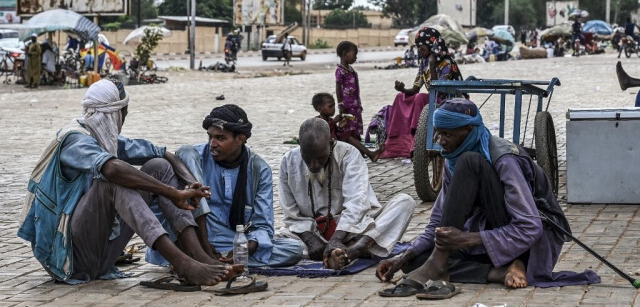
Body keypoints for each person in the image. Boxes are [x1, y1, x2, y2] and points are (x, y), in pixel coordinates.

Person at [17, 79, 243, 286]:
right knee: (112, 182)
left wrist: (191, 185)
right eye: (123, 113)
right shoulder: (74, 140)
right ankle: (183, 263)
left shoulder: (104, 139)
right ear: (114, 113)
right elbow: (113, 169)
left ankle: (199, 256)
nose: (123, 120)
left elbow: (163, 154)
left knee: (159, 167)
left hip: (103, 254)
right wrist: (173, 194)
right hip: (69, 258)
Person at [376, 98, 600, 299]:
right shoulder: (453, 160)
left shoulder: (503, 159)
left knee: (470, 162)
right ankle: (498, 272)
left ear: (469, 130)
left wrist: (466, 239)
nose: (440, 141)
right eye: (438, 133)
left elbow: (530, 227)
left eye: (447, 134)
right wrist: (405, 256)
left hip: (527, 243)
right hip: (490, 243)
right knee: (416, 260)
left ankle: (444, 266)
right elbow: (437, 223)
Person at [146, 104, 304, 268]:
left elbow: (263, 224)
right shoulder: (193, 157)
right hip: (190, 238)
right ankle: (198, 255)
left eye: (220, 138)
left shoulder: (258, 168)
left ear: (240, 139)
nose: (212, 144)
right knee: (185, 151)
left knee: (293, 250)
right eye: (210, 137)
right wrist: (204, 246)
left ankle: (220, 262)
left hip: (228, 240)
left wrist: (244, 249)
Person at [279, 118, 415, 269]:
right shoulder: (288, 161)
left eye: (320, 158)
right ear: (299, 145)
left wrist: (336, 239)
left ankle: (355, 249)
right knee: (274, 241)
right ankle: (342, 251)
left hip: (355, 229)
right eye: (308, 158)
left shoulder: (349, 155)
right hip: (313, 234)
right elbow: (291, 214)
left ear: (331, 144)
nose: (314, 165)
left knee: (405, 202)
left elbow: (357, 204)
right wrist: (311, 240)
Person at [381, 27, 464, 158]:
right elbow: (415, 89)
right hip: (432, 99)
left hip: (447, 101)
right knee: (400, 97)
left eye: (422, 48)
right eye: (418, 48)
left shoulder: (446, 62)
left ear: (432, 48)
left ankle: (417, 142)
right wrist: (402, 89)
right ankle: (397, 145)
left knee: (420, 98)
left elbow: (438, 89)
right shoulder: (423, 63)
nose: (419, 51)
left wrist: (432, 65)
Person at [334, 41, 385, 161]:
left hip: (355, 107)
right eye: (354, 54)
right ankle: (368, 153)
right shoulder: (340, 71)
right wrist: (340, 104)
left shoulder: (350, 70)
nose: (356, 57)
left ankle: (358, 153)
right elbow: (338, 88)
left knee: (355, 132)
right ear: (344, 53)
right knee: (348, 133)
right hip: (347, 107)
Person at [312, 92, 385, 161]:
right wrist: (334, 121)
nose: (333, 109)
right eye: (330, 106)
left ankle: (369, 154)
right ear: (319, 108)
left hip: (335, 142)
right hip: (326, 146)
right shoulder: (317, 120)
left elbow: (335, 132)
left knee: (348, 135)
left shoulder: (330, 119)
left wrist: (340, 127)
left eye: (334, 106)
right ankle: (368, 154)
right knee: (347, 136)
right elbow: (323, 131)